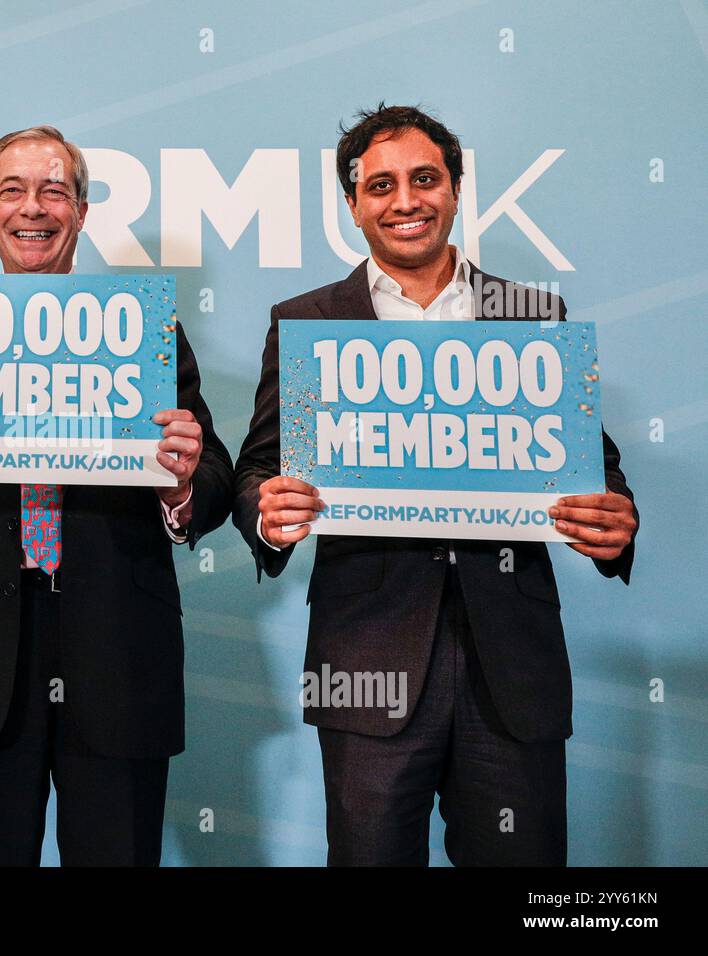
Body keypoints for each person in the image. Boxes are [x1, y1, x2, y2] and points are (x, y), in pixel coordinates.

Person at [232, 105, 638, 866]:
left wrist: (617, 521)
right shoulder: (306, 323)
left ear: (455, 189)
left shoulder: (531, 316)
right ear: (352, 205)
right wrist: (266, 509)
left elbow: (594, 467)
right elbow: (258, 469)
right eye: (379, 185)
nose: (405, 200)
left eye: (425, 179)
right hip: (364, 663)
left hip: (513, 668)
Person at [0, 126, 234, 866]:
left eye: (55, 190)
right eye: (15, 191)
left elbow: (210, 477)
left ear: (82, 211)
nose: (35, 207)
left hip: (119, 644)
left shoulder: (146, 332)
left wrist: (182, 484)